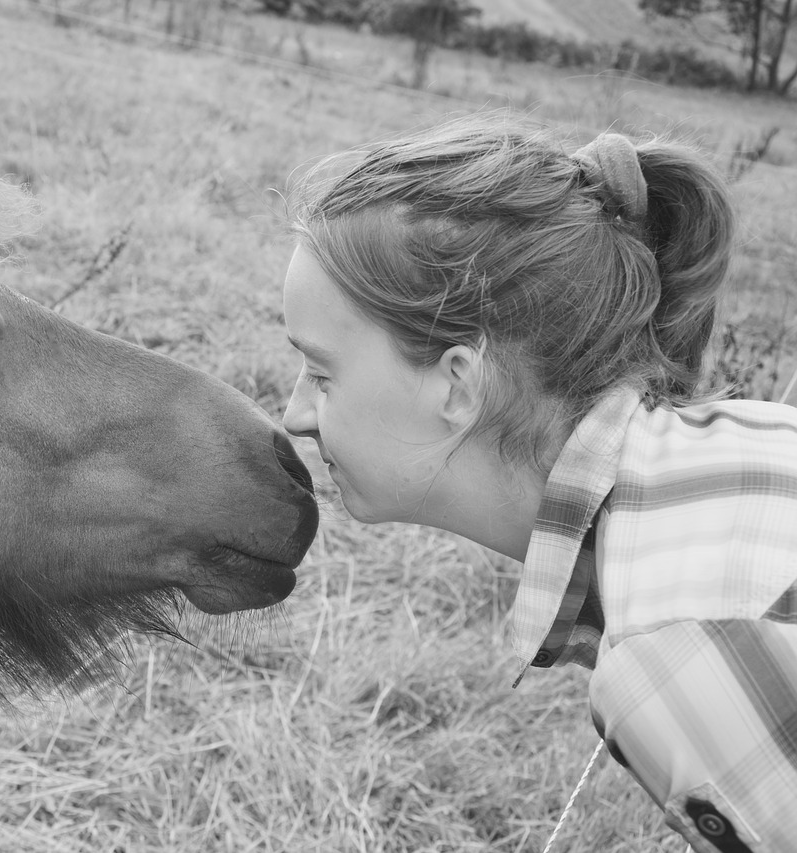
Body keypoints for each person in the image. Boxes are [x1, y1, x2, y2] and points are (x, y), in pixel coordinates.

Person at [280, 118, 797, 851]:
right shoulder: (727, 465)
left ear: (459, 383)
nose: (294, 412)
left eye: (322, 373)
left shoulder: (670, 647)